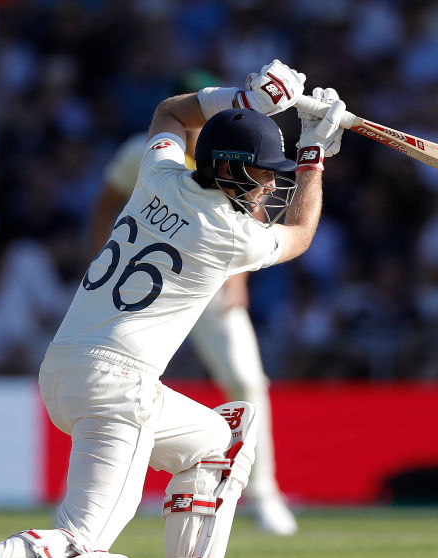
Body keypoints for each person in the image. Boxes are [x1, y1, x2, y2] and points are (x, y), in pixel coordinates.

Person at [0, 59, 345, 558]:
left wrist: (241, 96)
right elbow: (300, 237)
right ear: (237, 173)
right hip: (120, 386)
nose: (272, 187)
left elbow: (171, 111)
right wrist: (315, 155)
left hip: (63, 367)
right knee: (87, 548)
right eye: (267, 175)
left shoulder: (159, 173)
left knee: (226, 438)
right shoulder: (228, 230)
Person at [89, 114, 298, 536]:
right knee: (125, 375)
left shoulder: (236, 152)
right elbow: (106, 202)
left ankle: (263, 492)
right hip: (149, 278)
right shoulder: (146, 152)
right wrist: (106, 257)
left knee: (247, 379)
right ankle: (112, 487)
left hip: (212, 277)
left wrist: (237, 279)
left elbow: (252, 205)